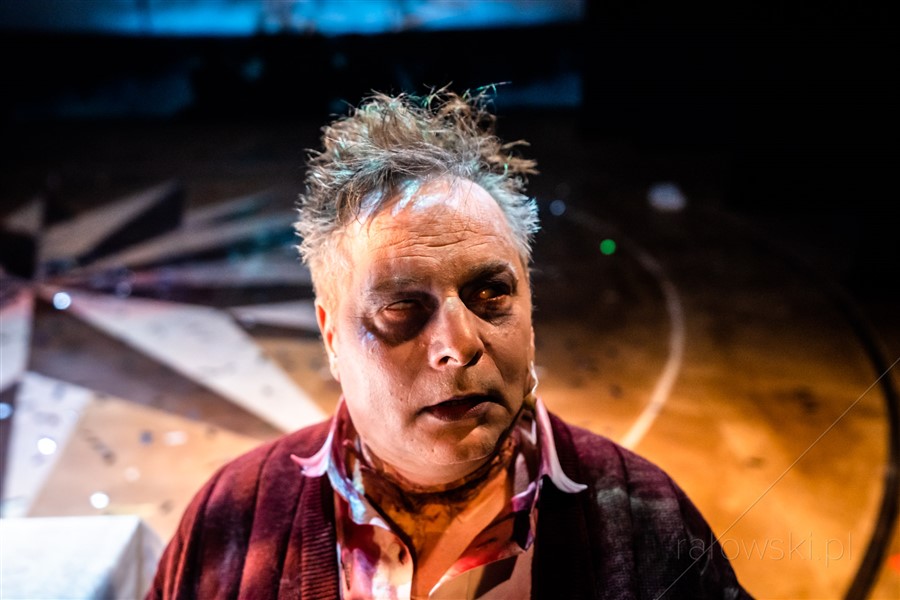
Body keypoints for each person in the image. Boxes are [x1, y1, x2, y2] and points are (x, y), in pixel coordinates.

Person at [147, 87, 752, 599]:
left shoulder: (647, 523)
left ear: (530, 312)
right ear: (331, 337)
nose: (458, 347)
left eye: (491, 294)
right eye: (402, 309)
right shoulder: (230, 522)